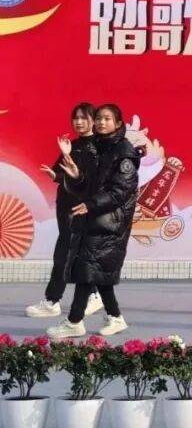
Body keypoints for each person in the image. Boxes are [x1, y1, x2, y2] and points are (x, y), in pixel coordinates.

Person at [47, 103, 140, 339]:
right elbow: (86, 186)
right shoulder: (94, 148)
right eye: (98, 118)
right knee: (96, 269)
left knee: (88, 269)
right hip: (93, 217)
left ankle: (74, 321)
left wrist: (91, 204)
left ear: (118, 123)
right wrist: (75, 177)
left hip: (111, 221)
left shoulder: (124, 152)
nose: (101, 122)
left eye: (107, 119)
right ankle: (115, 317)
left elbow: (120, 191)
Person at [26, 103, 103, 319]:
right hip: (66, 206)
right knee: (69, 252)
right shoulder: (72, 146)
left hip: (84, 208)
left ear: (93, 120)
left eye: (83, 118)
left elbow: (90, 179)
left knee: (71, 253)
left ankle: (56, 300)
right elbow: (61, 174)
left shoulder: (99, 148)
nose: (78, 122)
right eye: (75, 118)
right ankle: (88, 295)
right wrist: (56, 173)